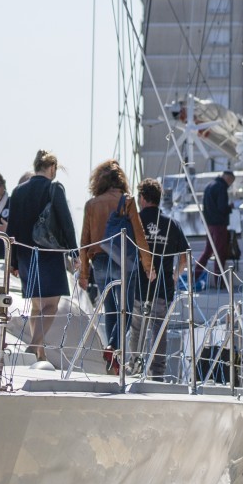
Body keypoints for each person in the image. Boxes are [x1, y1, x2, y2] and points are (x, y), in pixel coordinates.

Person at [77, 160, 151, 373]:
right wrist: (148, 264)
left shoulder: (92, 204)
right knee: (125, 309)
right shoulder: (127, 201)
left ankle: (113, 362)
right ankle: (113, 347)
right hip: (125, 261)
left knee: (110, 309)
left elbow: (85, 241)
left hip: (99, 261)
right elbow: (139, 235)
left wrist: (84, 273)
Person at [7, 150, 75, 361]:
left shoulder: (18, 191)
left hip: (26, 255)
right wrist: (74, 251)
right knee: (51, 305)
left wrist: (12, 261)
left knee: (37, 306)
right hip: (49, 254)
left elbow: (12, 229)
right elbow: (65, 221)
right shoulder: (54, 188)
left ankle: (40, 353)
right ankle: (34, 345)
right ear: (52, 168)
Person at [132, 179, 189, 377]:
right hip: (163, 287)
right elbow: (184, 258)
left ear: (142, 198)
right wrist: (174, 277)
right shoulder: (172, 224)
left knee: (137, 328)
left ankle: (134, 366)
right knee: (159, 329)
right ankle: (157, 372)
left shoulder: (136, 222)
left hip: (139, 286)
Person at [191, 170, 236, 290]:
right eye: (231, 181)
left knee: (207, 252)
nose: (230, 184)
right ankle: (219, 282)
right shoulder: (221, 188)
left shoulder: (209, 186)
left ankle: (194, 277)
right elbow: (222, 208)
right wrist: (230, 207)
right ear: (228, 178)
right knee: (220, 254)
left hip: (209, 225)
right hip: (219, 226)